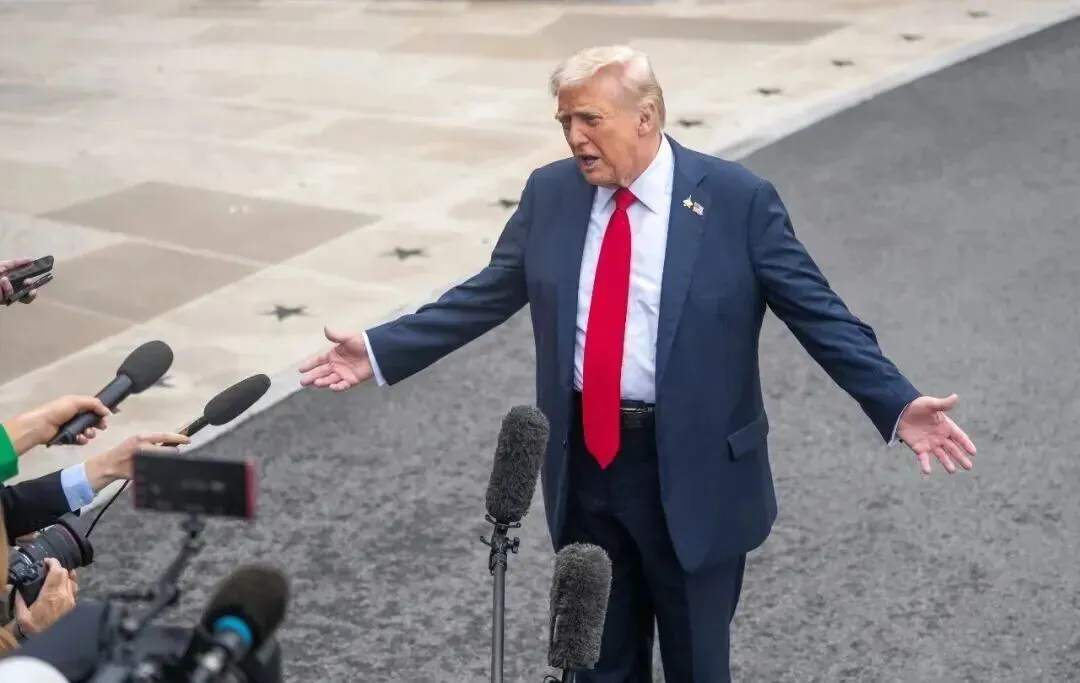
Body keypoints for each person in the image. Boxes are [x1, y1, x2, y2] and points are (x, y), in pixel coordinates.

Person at [298, 45, 978, 682]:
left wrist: (895, 400)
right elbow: (486, 292)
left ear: (646, 116)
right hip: (587, 471)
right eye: (565, 120)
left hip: (694, 474)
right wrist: (381, 347)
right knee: (594, 663)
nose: (574, 137)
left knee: (696, 665)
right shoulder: (551, 194)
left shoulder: (738, 202)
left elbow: (820, 313)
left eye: (589, 118)